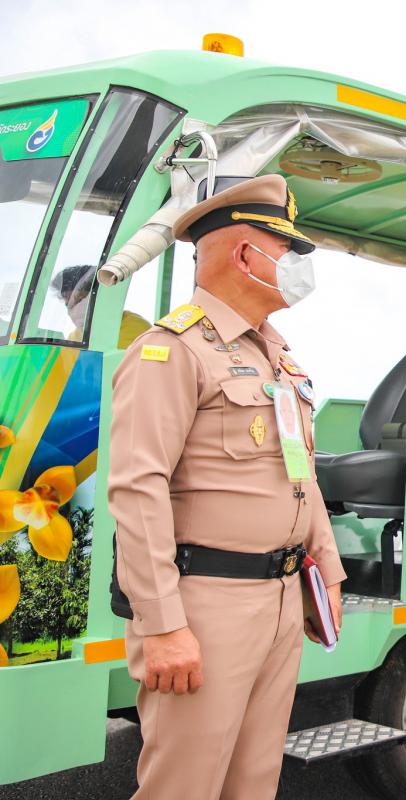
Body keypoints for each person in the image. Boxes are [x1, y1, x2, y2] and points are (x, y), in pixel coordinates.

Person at [107, 175, 346, 799]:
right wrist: (162, 624)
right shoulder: (171, 350)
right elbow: (138, 490)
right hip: (206, 604)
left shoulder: (278, 356)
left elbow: (300, 471)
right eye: (288, 250)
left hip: (282, 597)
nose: (297, 266)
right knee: (183, 786)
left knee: (254, 782)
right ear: (245, 253)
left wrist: (326, 571)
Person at [51, 263, 151, 348]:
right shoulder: (74, 337)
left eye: (80, 300)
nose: (74, 311)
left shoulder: (136, 330)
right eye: (68, 305)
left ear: (100, 296)